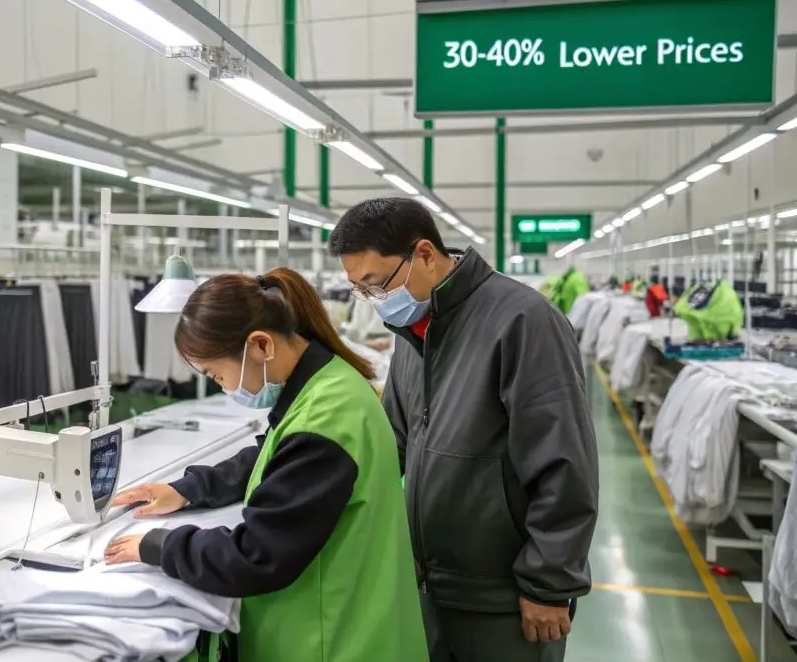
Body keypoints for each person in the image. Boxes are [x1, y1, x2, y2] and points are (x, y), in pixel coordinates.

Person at [104, 267, 429, 662]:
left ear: (259, 345)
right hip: (349, 620)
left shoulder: (325, 418)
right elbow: (276, 453)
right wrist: (189, 489)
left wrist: (160, 545)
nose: (224, 387)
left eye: (217, 375)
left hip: (330, 640)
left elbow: (257, 554)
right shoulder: (330, 384)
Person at [327, 197, 599, 662]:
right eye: (361, 290)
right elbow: (393, 440)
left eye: (377, 284)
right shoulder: (415, 332)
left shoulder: (522, 321)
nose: (375, 302)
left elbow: (564, 461)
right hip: (433, 585)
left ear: (426, 255)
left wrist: (549, 585)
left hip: (505, 597)